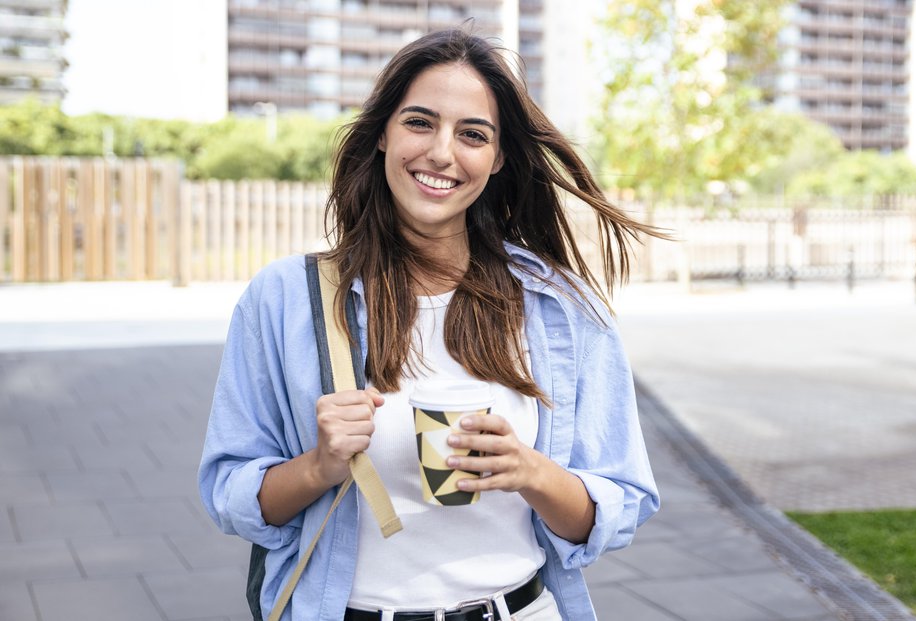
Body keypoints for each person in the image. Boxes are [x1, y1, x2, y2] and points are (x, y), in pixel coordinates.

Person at [199, 27, 660, 621]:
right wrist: (319, 466)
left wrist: (531, 472)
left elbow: (616, 509)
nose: (442, 152)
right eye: (420, 122)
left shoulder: (559, 307)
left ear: (496, 160)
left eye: (472, 135)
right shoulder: (285, 298)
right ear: (384, 134)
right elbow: (230, 493)